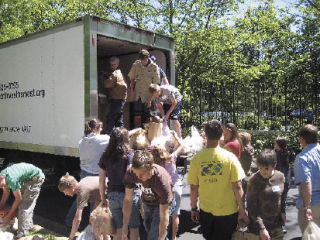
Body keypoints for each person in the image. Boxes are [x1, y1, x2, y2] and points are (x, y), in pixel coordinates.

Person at [187, 119, 249, 240]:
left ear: (205, 135)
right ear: (221, 135)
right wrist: (242, 211)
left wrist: (194, 208)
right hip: (228, 212)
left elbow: (194, 187)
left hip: (206, 211)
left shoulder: (196, 159)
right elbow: (237, 186)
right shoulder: (230, 158)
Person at [65, 118, 110, 226]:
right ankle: (93, 227)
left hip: (84, 173)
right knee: (95, 201)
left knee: (80, 199)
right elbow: (117, 139)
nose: (101, 130)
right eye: (100, 128)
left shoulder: (81, 141)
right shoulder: (102, 139)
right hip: (96, 175)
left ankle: (70, 221)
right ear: (96, 128)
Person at [99, 127, 140, 240]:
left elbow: (101, 180)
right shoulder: (129, 155)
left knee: (118, 228)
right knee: (133, 227)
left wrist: (103, 198)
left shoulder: (105, 156)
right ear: (126, 139)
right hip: (129, 195)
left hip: (112, 195)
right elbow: (130, 175)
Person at [122, 150, 174, 240]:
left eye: (142, 174)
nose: (139, 177)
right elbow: (128, 200)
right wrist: (125, 226)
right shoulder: (131, 172)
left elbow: (164, 214)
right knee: (149, 230)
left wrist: (161, 237)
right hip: (147, 204)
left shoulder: (161, 180)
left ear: (151, 168)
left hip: (162, 205)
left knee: (154, 237)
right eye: (136, 173)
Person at [247, 149, 286, 240]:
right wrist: (261, 228)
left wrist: (283, 211)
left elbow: (282, 197)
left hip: (276, 225)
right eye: (260, 168)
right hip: (259, 228)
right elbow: (251, 207)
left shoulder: (280, 177)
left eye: (266, 168)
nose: (263, 171)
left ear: (274, 165)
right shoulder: (253, 181)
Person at [0, 162, 45, 238]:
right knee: (26, 204)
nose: (1, 187)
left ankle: (22, 233)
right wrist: (0, 207)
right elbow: (6, 192)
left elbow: (18, 199)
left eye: (1, 185)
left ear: (2, 178)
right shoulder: (2, 175)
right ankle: (29, 226)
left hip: (35, 178)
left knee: (25, 206)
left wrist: (8, 216)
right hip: (26, 178)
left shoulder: (12, 179)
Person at [58, 173, 109, 240]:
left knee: (94, 221)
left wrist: (71, 237)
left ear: (73, 186)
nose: (65, 194)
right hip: (106, 195)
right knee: (94, 219)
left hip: (114, 193)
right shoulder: (82, 183)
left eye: (65, 191)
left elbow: (77, 218)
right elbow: (98, 194)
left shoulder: (82, 192)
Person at [151, 144, 184, 240]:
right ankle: (173, 238)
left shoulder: (155, 165)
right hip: (177, 187)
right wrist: (176, 137)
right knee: (175, 215)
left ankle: (163, 237)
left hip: (166, 190)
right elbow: (181, 146)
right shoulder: (171, 157)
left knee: (164, 216)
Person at [294, 124, 320, 233]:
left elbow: (305, 183)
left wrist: (307, 207)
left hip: (314, 203)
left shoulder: (302, 158)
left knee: (310, 235)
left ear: (302, 139)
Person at [128, 49, 160, 127]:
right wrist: (132, 92)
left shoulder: (154, 67)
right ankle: (137, 132)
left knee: (148, 116)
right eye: (142, 60)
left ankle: (148, 134)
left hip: (149, 96)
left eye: (144, 60)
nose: (143, 62)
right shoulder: (136, 65)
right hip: (138, 95)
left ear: (148, 57)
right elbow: (132, 78)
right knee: (137, 115)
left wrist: (150, 99)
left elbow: (156, 84)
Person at [104, 57, 127, 134]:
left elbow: (108, 84)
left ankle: (108, 134)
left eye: (114, 64)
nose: (112, 66)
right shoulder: (118, 73)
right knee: (118, 119)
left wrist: (103, 79)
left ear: (117, 64)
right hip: (120, 99)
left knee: (111, 117)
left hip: (117, 99)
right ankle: (122, 135)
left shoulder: (115, 73)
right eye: (111, 65)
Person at [274, 136, 291, 232]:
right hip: (286, 182)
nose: (274, 144)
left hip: (278, 182)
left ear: (279, 145)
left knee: (277, 203)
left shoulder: (277, 155)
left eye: (275, 143)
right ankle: (283, 225)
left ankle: (279, 225)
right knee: (283, 204)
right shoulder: (286, 153)